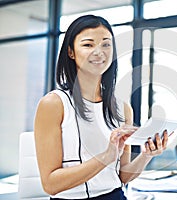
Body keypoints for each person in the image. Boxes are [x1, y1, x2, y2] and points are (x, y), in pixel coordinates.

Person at [34, 15, 169, 200]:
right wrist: (106, 156)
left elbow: (122, 177)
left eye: (106, 44)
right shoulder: (54, 104)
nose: (99, 52)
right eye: (88, 45)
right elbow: (50, 184)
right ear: (71, 52)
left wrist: (146, 155)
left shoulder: (123, 108)